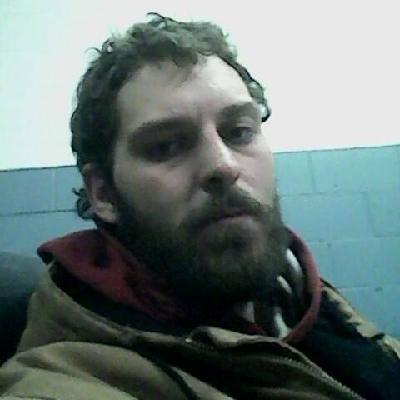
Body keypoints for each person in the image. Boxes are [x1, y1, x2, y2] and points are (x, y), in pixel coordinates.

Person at [0, 13, 398, 400]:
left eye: (239, 131)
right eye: (165, 146)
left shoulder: (301, 295)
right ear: (103, 194)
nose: (223, 165)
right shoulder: (64, 379)